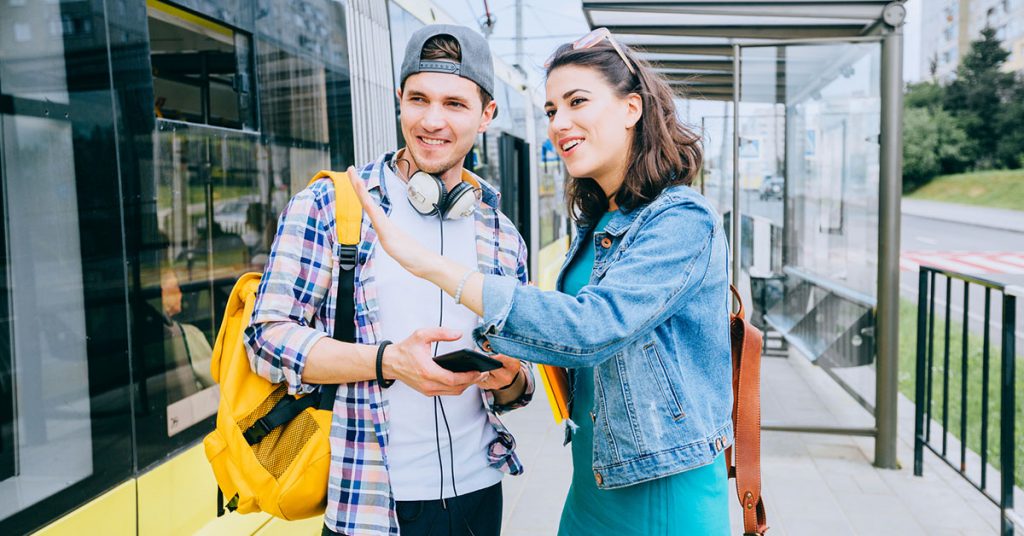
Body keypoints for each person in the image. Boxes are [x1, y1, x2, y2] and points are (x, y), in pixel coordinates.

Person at [349, 27, 732, 535]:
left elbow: (591, 328)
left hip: (660, 487)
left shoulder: (682, 218)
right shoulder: (599, 222)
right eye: (552, 110)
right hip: (594, 481)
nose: (560, 123)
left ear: (630, 108)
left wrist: (429, 265)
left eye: (577, 102)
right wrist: (509, 373)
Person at [244, 25, 535, 536]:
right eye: (418, 98)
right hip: (370, 505)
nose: (432, 121)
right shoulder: (331, 207)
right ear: (398, 99)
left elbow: (521, 387)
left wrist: (511, 377)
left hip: (479, 495)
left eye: (455, 104)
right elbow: (264, 339)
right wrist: (387, 362)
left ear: (487, 115)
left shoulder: (503, 235)